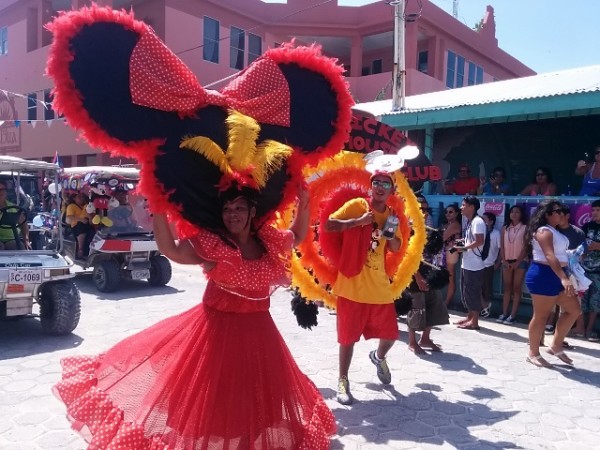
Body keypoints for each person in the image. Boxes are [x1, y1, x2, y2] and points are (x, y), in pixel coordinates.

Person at [53, 186, 336, 448]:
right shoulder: (214, 245)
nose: (233, 214)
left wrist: (304, 203)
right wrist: (160, 209)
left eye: (239, 208)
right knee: (215, 409)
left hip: (260, 339)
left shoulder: (268, 241)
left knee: (254, 407)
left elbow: (297, 235)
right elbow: (172, 250)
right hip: (215, 341)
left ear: (253, 211)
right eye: (227, 209)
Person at [325, 171, 402, 405]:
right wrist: (357, 222)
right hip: (352, 283)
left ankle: (378, 357)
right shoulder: (357, 205)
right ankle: (343, 380)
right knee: (347, 338)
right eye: (377, 182)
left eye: (386, 184)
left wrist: (390, 231)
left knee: (391, 334)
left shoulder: (392, 216)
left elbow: (395, 247)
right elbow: (329, 224)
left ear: (392, 191)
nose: (380, 187)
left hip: (378, 284)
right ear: (371, 186)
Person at [524, 200, 581, 367]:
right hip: (544, 274)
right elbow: (549, 255)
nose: (561, 214)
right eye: (557, 211)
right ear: (547, 214)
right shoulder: (543, 231)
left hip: (558, 273)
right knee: (541, 316)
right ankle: (533, 353)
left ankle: (556, 345)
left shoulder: (555, 231)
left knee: (574, 310)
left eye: (562, 211)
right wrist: (564, 278)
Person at [407, 196, 449, 354]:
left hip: (429, 272)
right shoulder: (408, 228)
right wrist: (418, 277)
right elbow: (407, 256)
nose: (424, 212)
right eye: (421, 209)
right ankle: (412, 342)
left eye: (426, 209)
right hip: (413, 274)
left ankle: (425, 338)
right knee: (416, 308)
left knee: (434, 305)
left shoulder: (428, 227)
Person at [453, 195, 485, 330]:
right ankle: (470, 317)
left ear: (472, 207)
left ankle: (474, 322)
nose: (461, 207)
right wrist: (462, 243)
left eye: (464, 205)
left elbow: (480, 241)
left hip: (475, 264)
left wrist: (463, 248)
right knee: (466, 291)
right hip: (467, 263)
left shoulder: (478, 222)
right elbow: (472, 240)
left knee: (473, 292)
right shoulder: (470, 221)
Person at [572, 199, 600, 341]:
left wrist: (597, 246)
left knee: (595, 301)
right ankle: (580, 328)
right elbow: (579, 246)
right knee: (581, 299)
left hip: (598, 272)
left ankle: (590, 329)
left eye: (598, 210)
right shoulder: (587, 226)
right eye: (593, 210)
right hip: (583, 270)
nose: (595, 213)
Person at [497, 205, 528, 324]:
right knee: (507, 287)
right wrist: (504, 260)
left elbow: (526, 247)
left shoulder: (525, 228)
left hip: (520, 261)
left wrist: (518, 262)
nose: (514, 214)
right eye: (512, 212)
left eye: (517, 212)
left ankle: (513, 315)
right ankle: (504, 313)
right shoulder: (505, 228)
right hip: (507, 260)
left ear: (521, 214)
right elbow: (502, 245)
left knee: (516, 287)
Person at [480, 212, 501, 318]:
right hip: (477, 263)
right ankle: (482, 306)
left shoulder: (496, 234)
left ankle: (486, 307)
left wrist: (498, 262)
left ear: (491, 222)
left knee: (486, 287)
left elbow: (501, 249)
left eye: (485, 219)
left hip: (489, 263)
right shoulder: (479, 232)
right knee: (476, 286)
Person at [0, 180, 31, 250]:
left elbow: (24, 225)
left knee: (19, 246)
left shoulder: (14, 208)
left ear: (6, 192)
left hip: (12, 239)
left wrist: (26, 240)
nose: (0, 192)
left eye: (2, 189)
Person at [442, 203, 462, 306]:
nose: (447, 214)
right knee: (448, 276)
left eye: (450, 212)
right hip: (448, 251)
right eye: (446, 212)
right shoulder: (449, 224)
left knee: (450, 277)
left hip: (451, 252)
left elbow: (443, 237)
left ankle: (447, 302)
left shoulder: (455, 224)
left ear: (456, 213)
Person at [65, 192, 93, 259]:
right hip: (76, 226)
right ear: (74, 198)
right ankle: (80, 249)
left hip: (87, 224)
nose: (81, 199)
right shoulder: (71, 206)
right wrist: (80, 219)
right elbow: (69, 218)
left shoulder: (87, 206)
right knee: (82, 225)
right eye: (79, 197)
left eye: (82, 197)